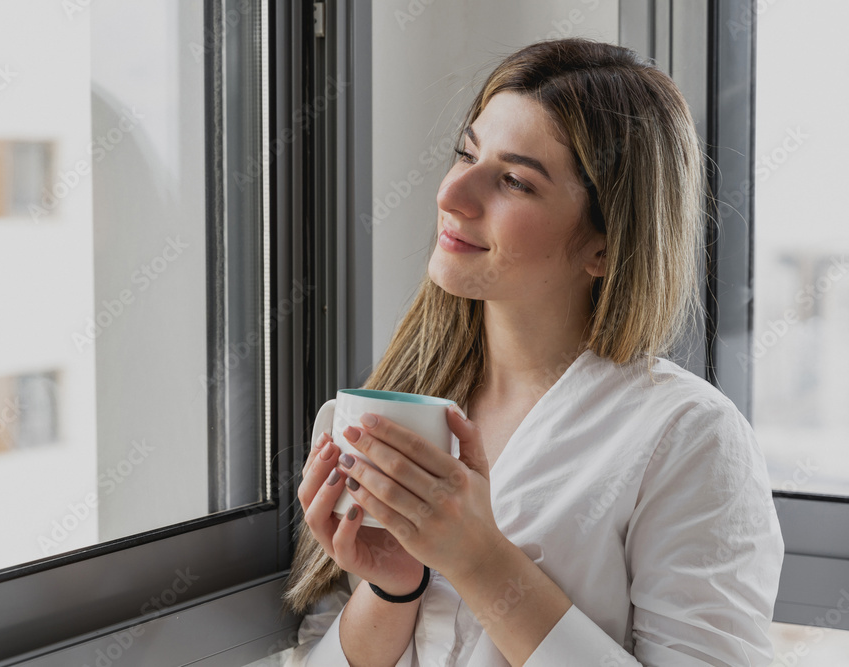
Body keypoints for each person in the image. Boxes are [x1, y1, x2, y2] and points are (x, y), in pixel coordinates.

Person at [283, 38, 784, 666]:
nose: (452, 195)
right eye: (465, 153)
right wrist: (392, 587)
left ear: (605, 245)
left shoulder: (689, 439)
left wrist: (478, 560)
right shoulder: (407, 398)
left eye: (514, 181)